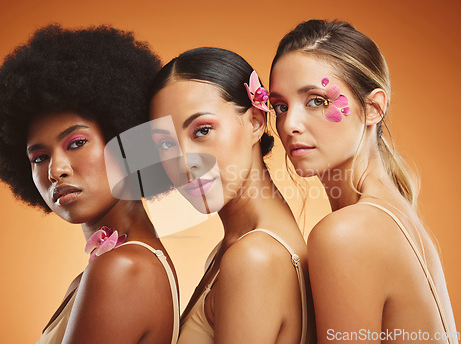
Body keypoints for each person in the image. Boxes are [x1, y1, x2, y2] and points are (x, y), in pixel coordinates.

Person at [0, 24, 179, 344]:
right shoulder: (117, 263)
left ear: (125, 140)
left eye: (76, 143)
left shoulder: (121, 269)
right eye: (39, 157)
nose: (56, 170)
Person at [269, 19, 458, 343]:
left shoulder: (347, 234)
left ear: (373, 108)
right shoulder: (395, 216)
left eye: (316, 100)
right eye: (281, 106)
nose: (289, 124)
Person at [149, 47, 316, 344]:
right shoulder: (234, 248)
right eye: (165, 145)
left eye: (202, 131)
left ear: (255, 122)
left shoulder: (254, 258)